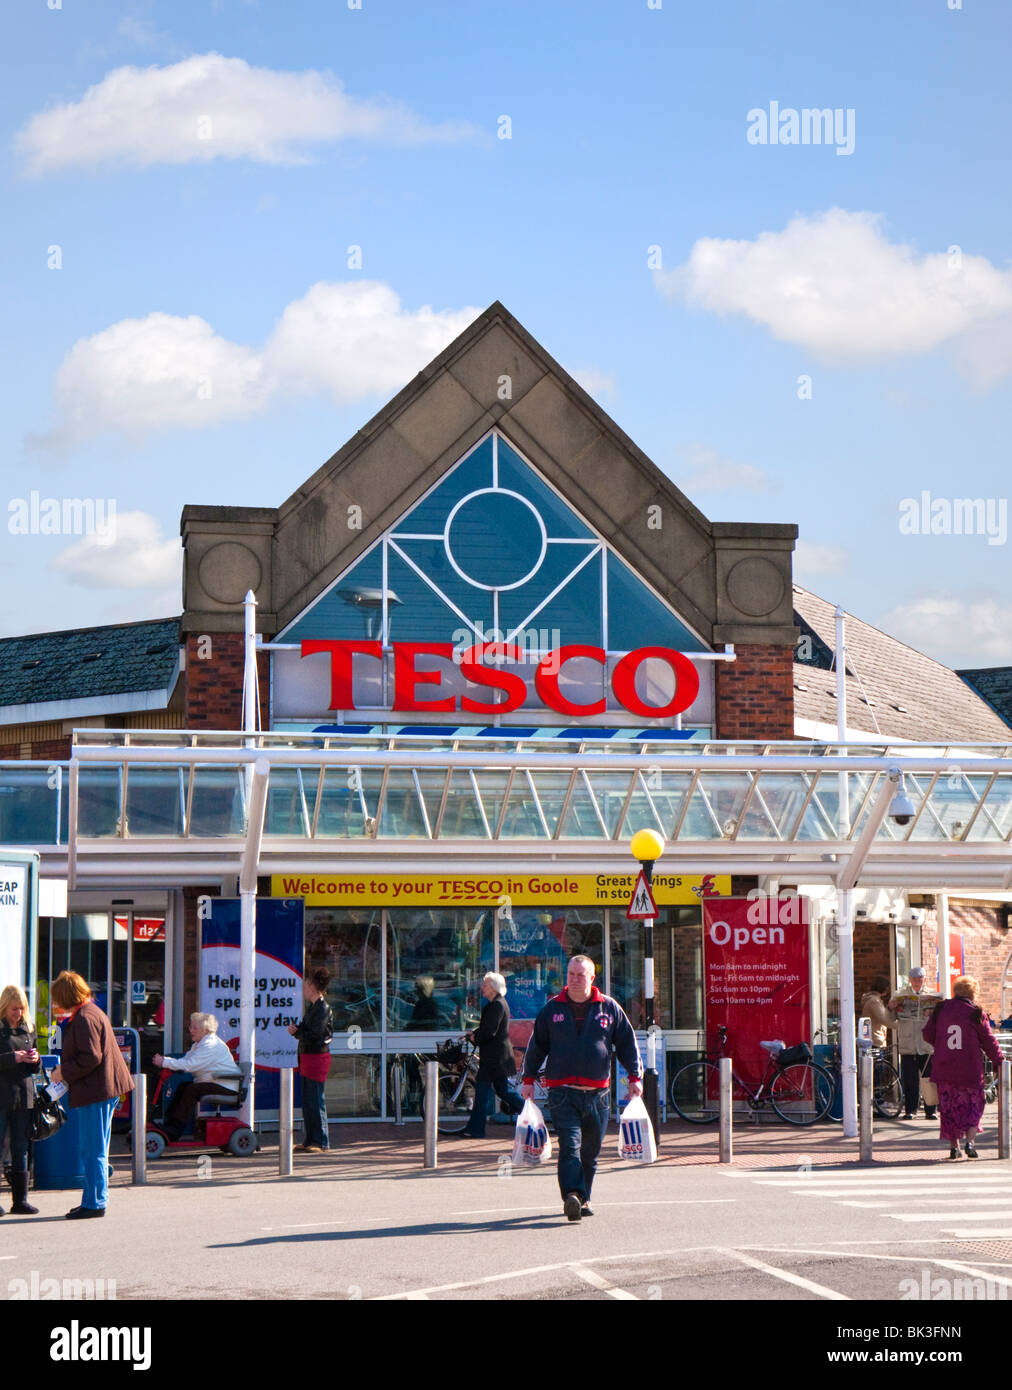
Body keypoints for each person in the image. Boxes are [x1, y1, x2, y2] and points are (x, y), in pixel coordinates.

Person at [520, 954, 642, 1221]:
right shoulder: (552, 1009)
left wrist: (635, 1076)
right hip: (562, 1092)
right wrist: (527, 1080)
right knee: (569, 1147)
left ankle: (583, 1198)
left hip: (597, 1095)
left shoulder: (608, 1008)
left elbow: (627, 1044)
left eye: (580, 975)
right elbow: (536, 1046)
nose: (575, 980)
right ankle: (572, 1195)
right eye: (571, 974)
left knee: (591, 1152)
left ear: (591, 978)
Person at [49, 970, 134, 1220]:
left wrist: (63, 1071)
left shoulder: (85, 1017)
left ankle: (95, 1202)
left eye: (57, 998)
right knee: (95, 1148)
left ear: (66, 995)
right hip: (101, 1089)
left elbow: (91, 1057)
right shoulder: (90, 1011)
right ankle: (92, 1198)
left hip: (96, 1091)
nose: (56, 1004)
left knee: (93, 1149)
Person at [922, 976, 1003, 1160]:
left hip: (945, 1069)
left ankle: (954, 1147)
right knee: (974, 1106)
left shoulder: (941, 1009)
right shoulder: (976, 1012)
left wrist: (941, 1043)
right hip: (970, 1071)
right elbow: (989, 1042)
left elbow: (927, 1034)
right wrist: (1000, 1061)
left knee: (949, 1109)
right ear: (973, 993)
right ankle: (970, 1142)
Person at [153, 1013, 240, 1142]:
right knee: (184, 1086)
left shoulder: (210, 1045)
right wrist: (166, 1061)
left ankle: (175, 1129)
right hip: (216, 1082)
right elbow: (185, 1061)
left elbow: (190, 1065)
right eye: (190, 1027)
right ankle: (170, 1124)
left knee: (191, 1090)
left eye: (195, 1028)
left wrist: (165, 1062)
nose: (191, 1031)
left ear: (205, 1030)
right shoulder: (199, 1044)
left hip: (225, 1085)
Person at [454, 972, 520, 1138]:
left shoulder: (497, 1005)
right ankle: (531, 1114)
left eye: (484, 985)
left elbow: (490, 1031)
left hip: (494, 1058)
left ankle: (475, 1129)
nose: (482, 988)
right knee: (503, 1091)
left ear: (493, 988)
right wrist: (475, 1033)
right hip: (496, 1057)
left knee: (482, 1093)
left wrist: (475, 1037)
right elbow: (488, 1027)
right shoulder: (495, 1004)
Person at [0, 985, 41, 1216]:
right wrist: (12, 1058)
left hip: (24, 1097)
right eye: (14, 1009)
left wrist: (35, 1059)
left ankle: (20, 1200)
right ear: (5, 1007)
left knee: (21, 1148)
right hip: (2, 1095)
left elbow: (37, 1066)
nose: (18, 1013)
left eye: (21, 1009)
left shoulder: (28, 1029)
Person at [287, 968, 333, 1153]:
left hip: (317, 1057)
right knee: (307, 1100)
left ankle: (321, 1140)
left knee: (316, 1099)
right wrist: (299, 1029)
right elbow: (309, 1030)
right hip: (307, 1056)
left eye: (306, 985)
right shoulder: (314, 1008)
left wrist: (297, 1032)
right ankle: (310, 1139)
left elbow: (316, 1034)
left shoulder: (323, 1008)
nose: (304, 989)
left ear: (313, 987)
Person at [889, 967, 941, 1119]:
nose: (918, 982)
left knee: (929, 1079)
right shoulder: (899, 995)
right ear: (909, 980)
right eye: (915, 980)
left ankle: (931, 1110)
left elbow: (940, 1020)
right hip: (908, 1044)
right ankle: (910, 1110)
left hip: (927, 1045)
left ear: (925, 979)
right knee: (910, 1080)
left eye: (920, 979)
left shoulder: (932, 994)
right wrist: (890, 1008)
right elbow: (891, 1018)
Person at [859, 975, 897, 1048]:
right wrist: (903, 1026)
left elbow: (881, 1015)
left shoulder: (874, 1000)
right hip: (874, 1040)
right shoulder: (874, 1001)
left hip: (872, 1039)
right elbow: (884, 1019)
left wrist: (889, 1008)